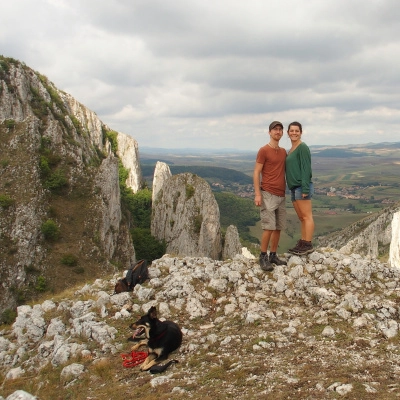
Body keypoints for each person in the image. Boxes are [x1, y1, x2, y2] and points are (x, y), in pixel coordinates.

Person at [253, 121, 287, 271]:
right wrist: (257, 194)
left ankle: (273, 255)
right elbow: (256, 172)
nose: (278, 132)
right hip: (267, 193)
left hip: (281, 194)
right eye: (275, 130)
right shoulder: (263, 150)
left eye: (280, 130)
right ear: (269, 132)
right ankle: (262, 257)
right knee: (269, 227)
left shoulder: (283, 151)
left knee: (278, 227)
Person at [285, 121, 315, 255]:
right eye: (292, 131)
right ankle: (303, 242)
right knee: (302, 218)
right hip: (294, 188)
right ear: (288, 133)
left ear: (301, 133)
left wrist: (305, 189)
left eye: (297, 131)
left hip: (301, 187)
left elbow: (306, 169)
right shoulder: (291, 149)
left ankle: (308, 244)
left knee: (307, 216)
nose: (294, 133)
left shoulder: (302, 147)